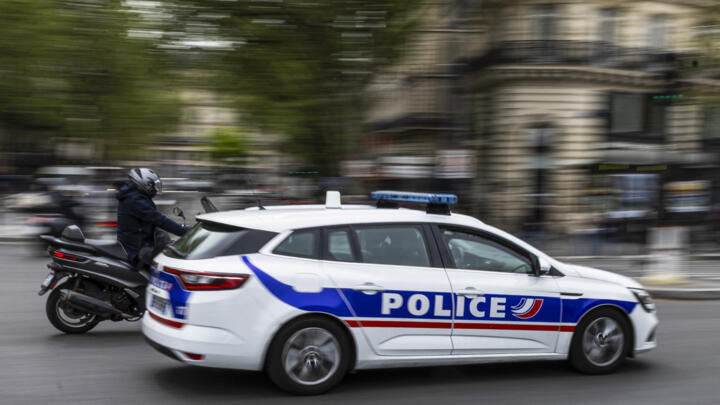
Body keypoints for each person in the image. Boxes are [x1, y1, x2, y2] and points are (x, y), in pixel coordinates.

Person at [116, 168, 188, 264]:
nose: (154, 189)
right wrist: (185, 232)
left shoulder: (133, 196)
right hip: (136, 250)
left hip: (139, 243)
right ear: (144, 183)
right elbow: (159, 219)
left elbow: (151, 222)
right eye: (152, 185)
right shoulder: (135, 200)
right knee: (169, 264)